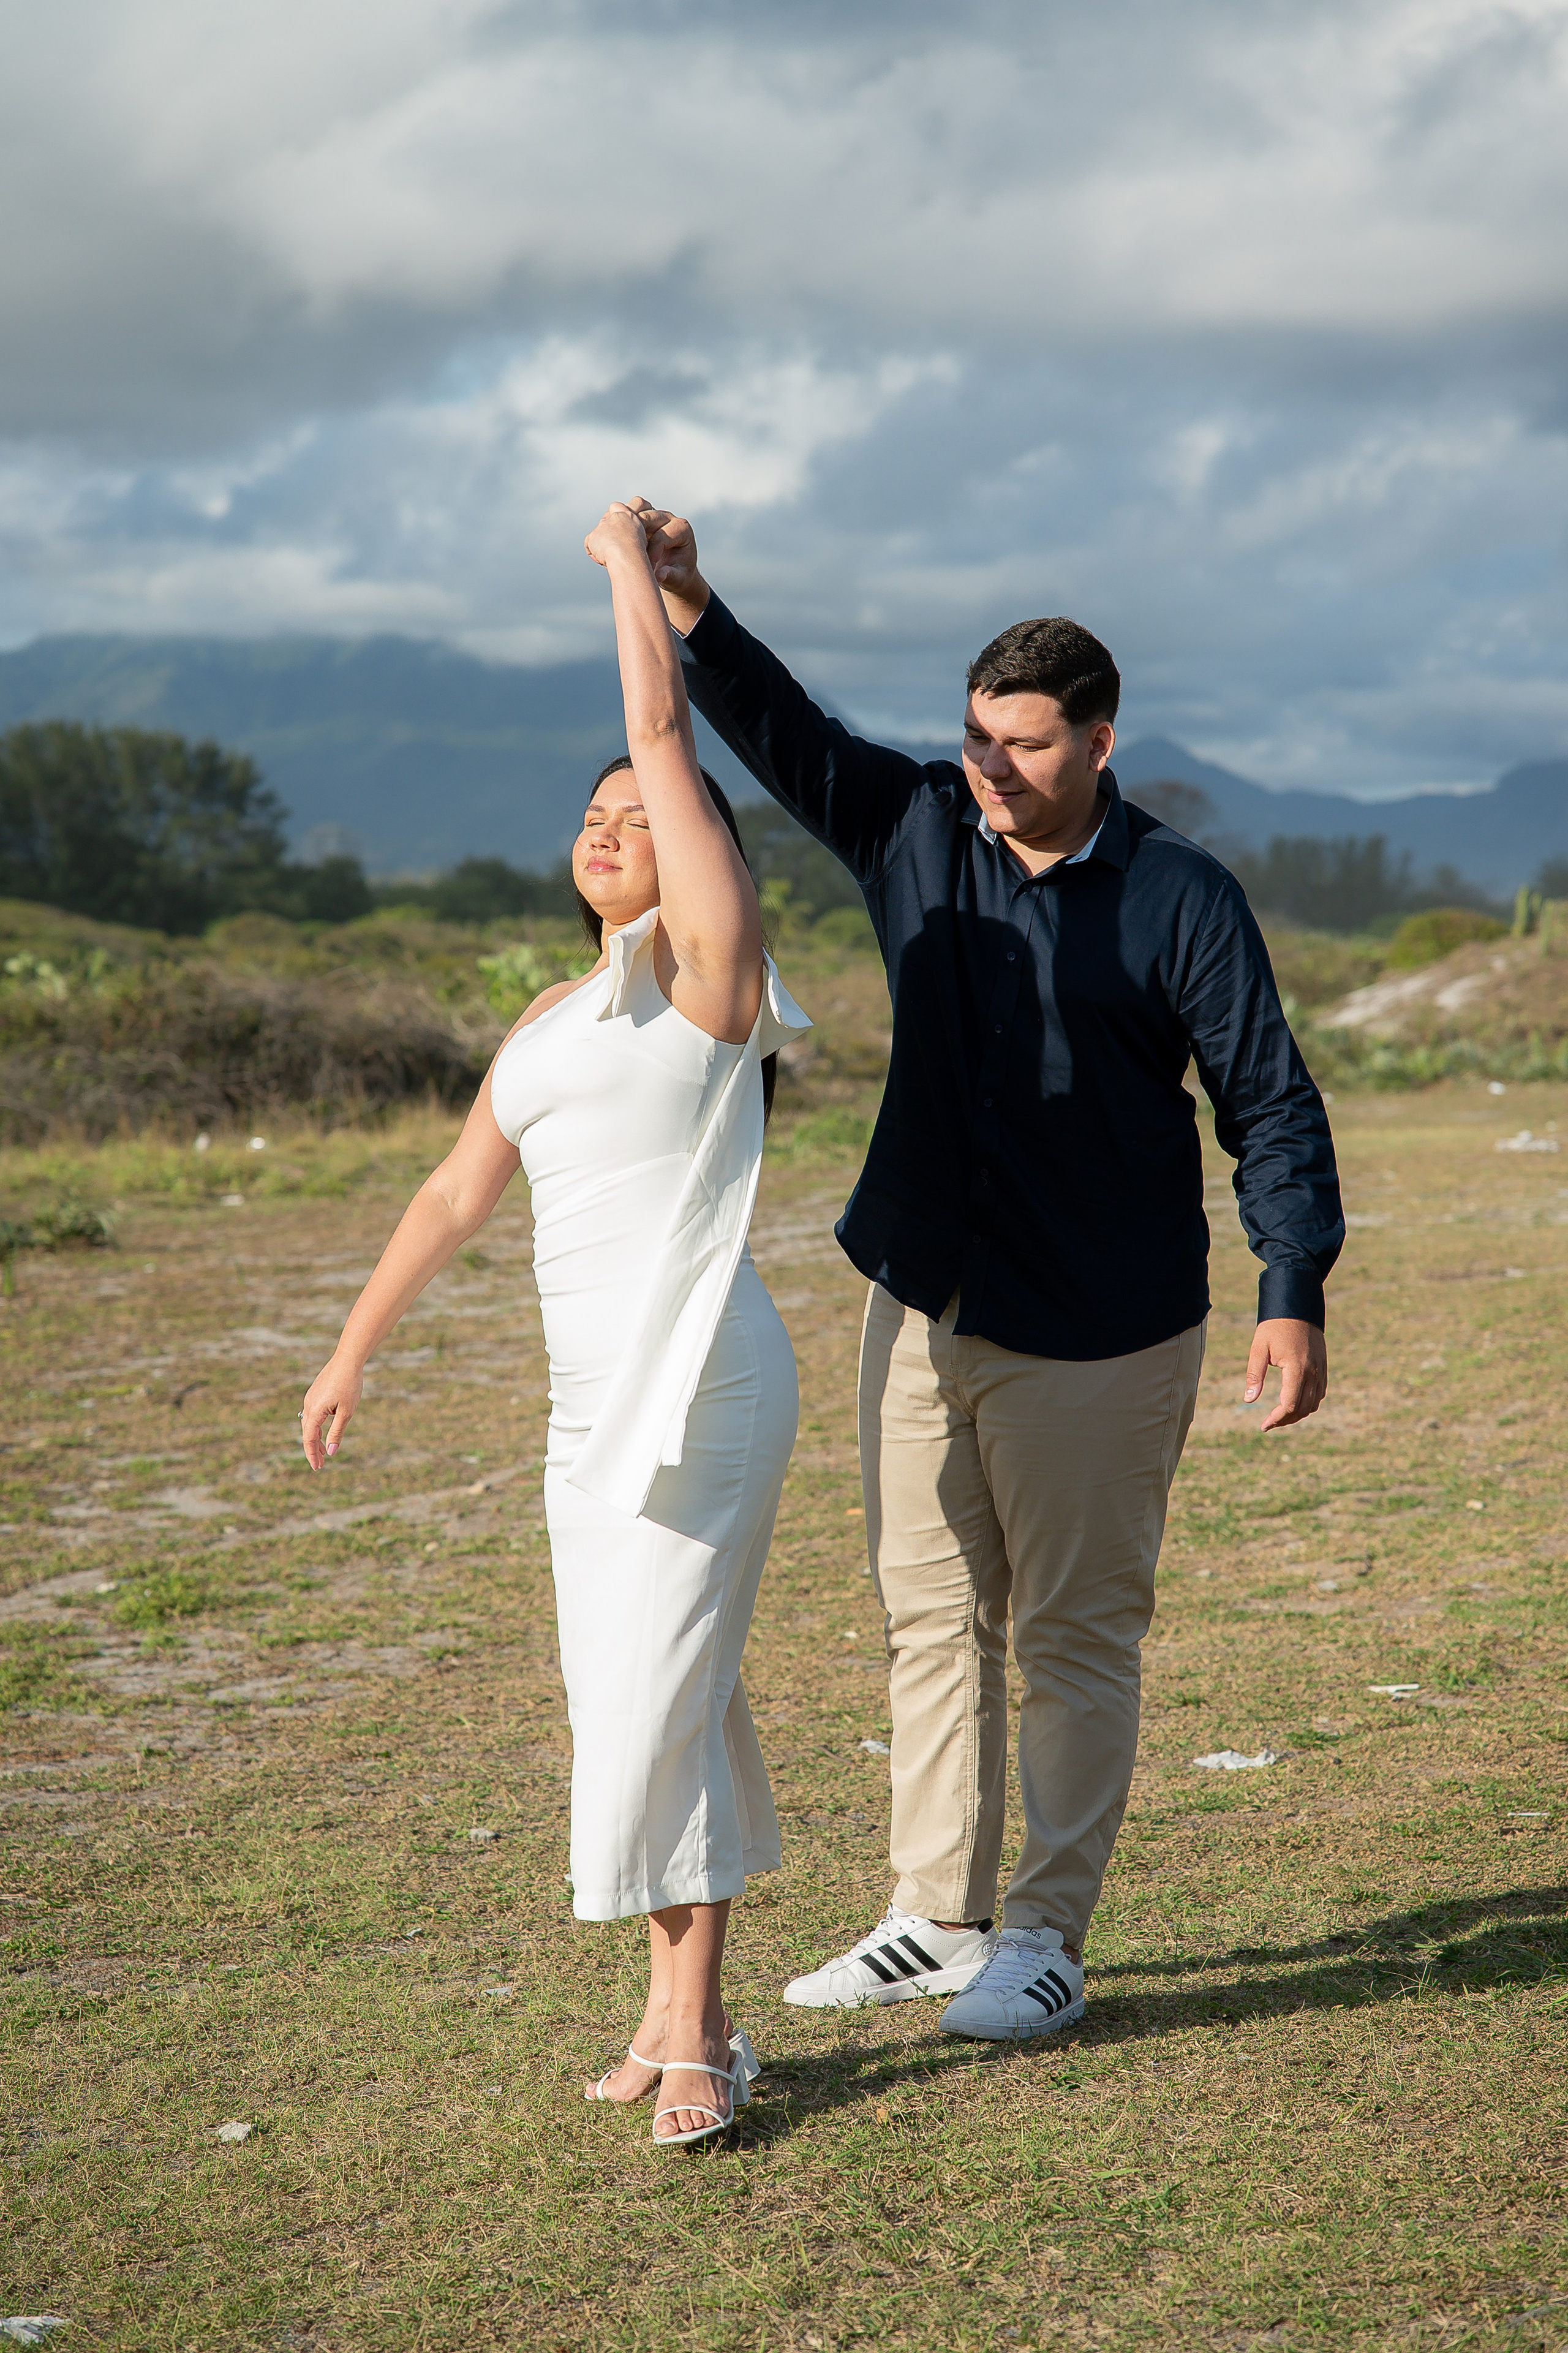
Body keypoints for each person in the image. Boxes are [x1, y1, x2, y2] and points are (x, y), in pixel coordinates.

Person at [625, 497, 1344, 2041]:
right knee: (930, 1616)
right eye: (972, 733)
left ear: (1097, 739)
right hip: (922, 1292)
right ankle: (931, 1916)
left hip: (1101, 1321)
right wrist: (687, 599)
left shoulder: (1180, 898)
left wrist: (1291, 1287)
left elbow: (1267, 1100)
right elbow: (781, 730)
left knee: (1075, 1632)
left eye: (1021, 741)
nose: (987, 763)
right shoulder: (913, 826)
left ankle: (1045, 1930)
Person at [299, 500, 810, 2144]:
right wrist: (352, 1348)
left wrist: (626, 576)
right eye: (590, 815)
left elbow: (661, 722)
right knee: (650, 1699)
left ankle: (693, 2043)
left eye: (640, 816)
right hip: (583, 1413)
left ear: (698, 852)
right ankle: (690, 2021)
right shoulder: (548, 1014)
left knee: (659, 1698)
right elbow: (455, 1195)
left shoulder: (711, 982)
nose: (609, 823)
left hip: (700, 1388)